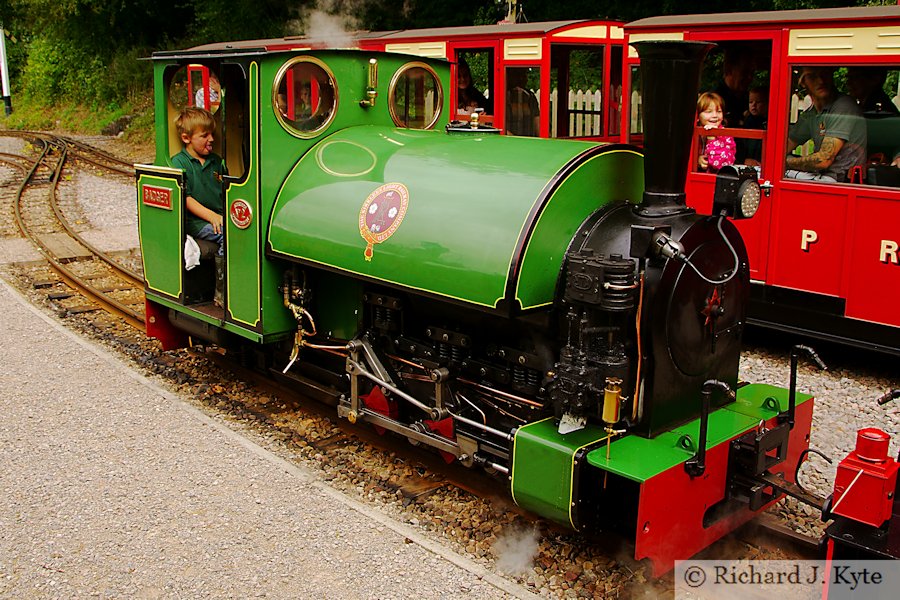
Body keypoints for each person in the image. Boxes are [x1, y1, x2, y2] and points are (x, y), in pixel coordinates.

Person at [171, 107, 227, 305]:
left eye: (211, 134)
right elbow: (185, 198)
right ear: (187, 138)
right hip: (196, 221)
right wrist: (212, 216)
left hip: (218, 216)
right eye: (204, 135)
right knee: (226, 236)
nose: (211, 139)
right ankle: (221, 292)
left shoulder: (217, 162)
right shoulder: (179, 163)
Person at [785, 66, 867, 183]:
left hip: (841, 183)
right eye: (812, 76)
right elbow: (785, 144)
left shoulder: (844, 106)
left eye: (825, 74)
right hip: (822, 179)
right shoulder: (812, 113)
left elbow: (823, 160)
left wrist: (784, 162)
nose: (821, 81)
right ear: (802, 82)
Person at [715, 47, 755, 129]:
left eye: (752, 73)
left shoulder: (749, 98)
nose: (750, 78)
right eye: (745, 72)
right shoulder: (715, 98)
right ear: (729, 70)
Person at [696, 92, 736, 173]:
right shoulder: (694, 133)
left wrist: (712, 139)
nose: (715, 115)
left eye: (719, 111)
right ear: (697, 116)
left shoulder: (726, 136)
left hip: (718, 181)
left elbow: (722, 165)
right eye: (708, 111)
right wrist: (697, 160)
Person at [505, 69, 539, 136]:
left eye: (524, 76)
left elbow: (537, 122)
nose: (525, 79)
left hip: (529, 140)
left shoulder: (530, 97)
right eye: (521, 76)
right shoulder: (503, 97)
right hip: (508, 141)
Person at [742, 86, 768, 167]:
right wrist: (743, 159)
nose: (754, 105)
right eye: (750, 102)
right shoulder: (746, 123)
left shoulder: (769, 123)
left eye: (758, 102)